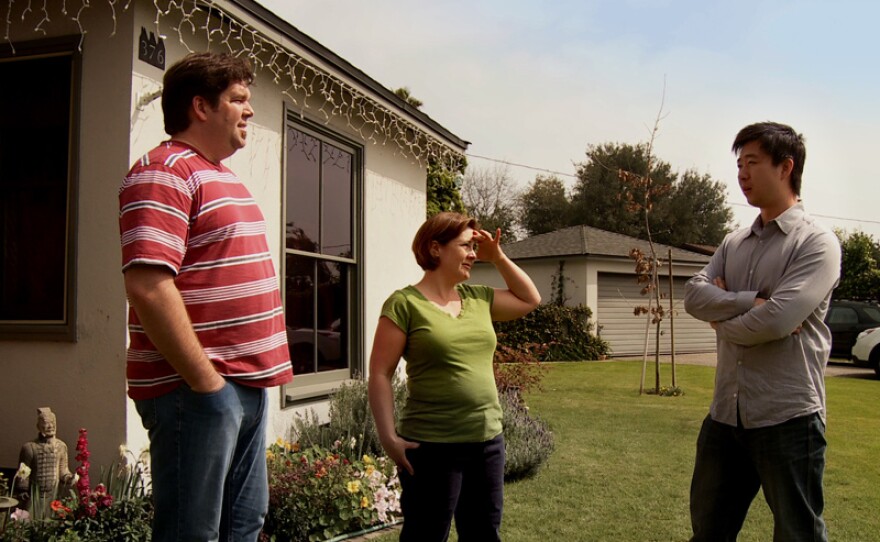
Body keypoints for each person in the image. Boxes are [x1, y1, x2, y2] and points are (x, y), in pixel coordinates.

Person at [119, 52, 293, 541]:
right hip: (195, 390)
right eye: (238, 99)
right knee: (191, 533)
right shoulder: (164, 171)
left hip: (245, 385)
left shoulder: (221, 175)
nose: (249, 110)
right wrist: (207, 383)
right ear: (200, 106)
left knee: (243, 525)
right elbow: (148, 286)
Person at [684, 122, 840, 542]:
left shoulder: (817, 244)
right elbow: (693, 296)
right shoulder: (734, 243)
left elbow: (776, 321)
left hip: (788, 418)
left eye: (752, 162)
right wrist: (745, 303)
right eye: (739, 164)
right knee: (709, 532)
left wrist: (721, 319)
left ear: (786, 166)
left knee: (798, 534)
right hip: (724, 417)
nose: (742, 174)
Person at [368, 212, 541, 542]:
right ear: (436, 249)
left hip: (487, 442)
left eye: (475, 247)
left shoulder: (479, 298)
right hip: (432, 447)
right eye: (466, 246)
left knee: (483, 534)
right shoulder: (404, 304)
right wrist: (389, 438)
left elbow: (529, 299)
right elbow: (380, 373)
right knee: (426, 535)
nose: (474, 254)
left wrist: (499, 256)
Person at [16, 408, 74, 503]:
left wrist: (69, 478)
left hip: (53, 497)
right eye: (46, 423)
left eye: (53, 422)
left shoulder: (61, 447)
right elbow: (23, 472)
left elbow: (63, 470)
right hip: (34, 497)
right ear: (38, 426)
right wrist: (22, 490)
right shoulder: (29, 447)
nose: (51, 426)